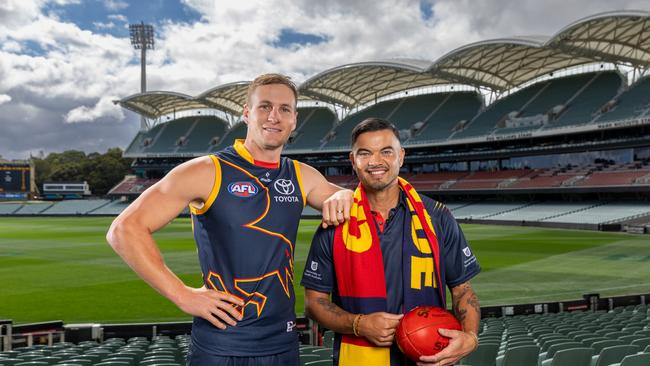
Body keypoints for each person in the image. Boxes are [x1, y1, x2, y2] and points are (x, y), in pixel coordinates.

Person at [106, 73, 353, 366]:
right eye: (265, 106)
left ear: (294, 119)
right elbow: (124, 230)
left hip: (283, 343)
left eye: (284, 109)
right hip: (222, 346)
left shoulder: (302, 175)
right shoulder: (207, 171)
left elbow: (356, 200)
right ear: (247, 114)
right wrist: (182, 294)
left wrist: (345, 194)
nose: (274, 116)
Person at [301, 118, 481, 366]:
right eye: (365, 153)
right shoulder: (334, 223)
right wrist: (359, 324)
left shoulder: (438, 216)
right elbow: (314, 303)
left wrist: (470, 336)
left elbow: (463, 290)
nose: (375, 162)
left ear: (401, 156)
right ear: (353, 161)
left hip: (429, 357)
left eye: (386, 151)